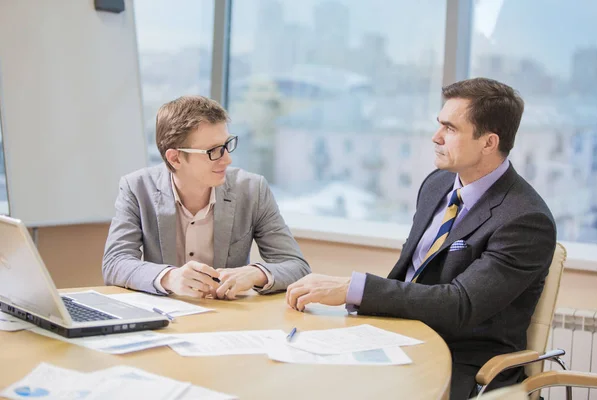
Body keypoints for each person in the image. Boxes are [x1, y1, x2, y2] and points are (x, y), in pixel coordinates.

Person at [286, 78, 556, 399]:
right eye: (439, 125)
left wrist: (352, 288)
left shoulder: (525, 219)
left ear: (488, 142)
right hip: (398, 336)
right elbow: (413, 275)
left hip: (464, 360)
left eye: (451, 129)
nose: (436, 137)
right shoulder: (438, 184)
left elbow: (461, 305)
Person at [103, 95, 310, 300]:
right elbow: (115, 263)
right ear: (175, 158)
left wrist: (256, 272)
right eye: (213, 151)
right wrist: (170, 277)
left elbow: (297, 266)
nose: (227, 159)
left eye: (227, 145)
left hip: (227, 318)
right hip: (165, 318)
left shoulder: (252, 190)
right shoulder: (137, 188)